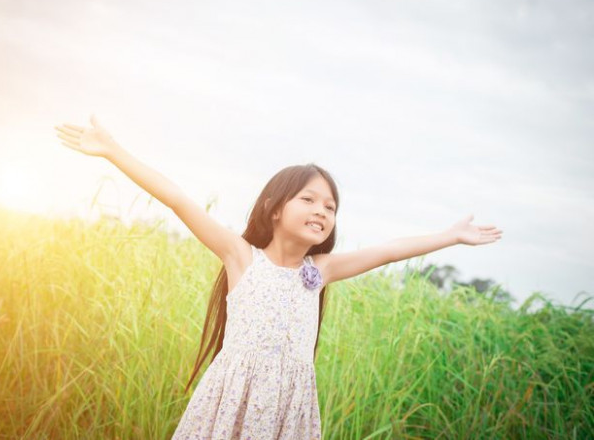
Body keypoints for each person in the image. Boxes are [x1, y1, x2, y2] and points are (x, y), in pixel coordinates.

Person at [54, 115, 503, 440]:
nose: (322, 211)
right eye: (309, 200)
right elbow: (177, 199)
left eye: (330, 207)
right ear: (275, 207)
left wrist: (449, 236)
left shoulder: (320, 271)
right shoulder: (241, 257)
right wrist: (113, 150)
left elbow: (387, 252)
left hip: (289, 414)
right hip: (230, 405)